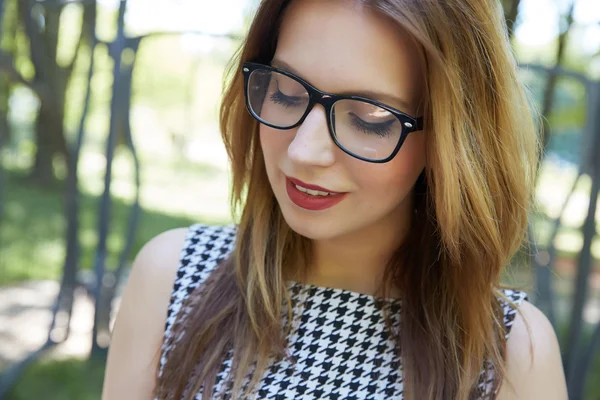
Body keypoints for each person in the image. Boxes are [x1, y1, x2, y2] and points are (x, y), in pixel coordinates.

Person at [102, 0, 568, 399]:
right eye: (285, 92)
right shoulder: (173, 278)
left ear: (451, 140)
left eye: (368, 120)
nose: (304, 151)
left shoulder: (510, 354)